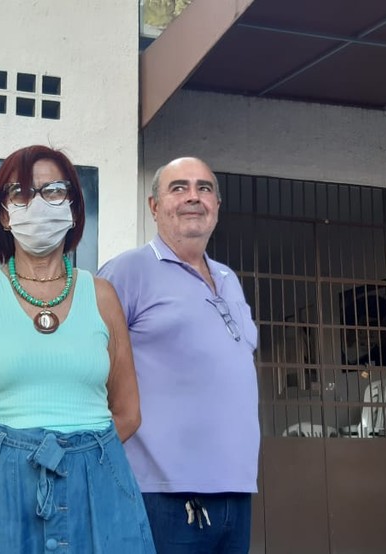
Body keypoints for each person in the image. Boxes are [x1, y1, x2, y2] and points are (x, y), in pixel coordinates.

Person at [0, 145, 155, 553]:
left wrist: (73, 455)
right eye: (21, 194)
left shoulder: (102, 297)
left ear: (72, 207)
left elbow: (128, 411)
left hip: (96, 484)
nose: (37, 204)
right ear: (4, 214)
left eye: (52, 191)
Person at [98, 157, 260, 553]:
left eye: (204, 188)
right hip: (161, 495)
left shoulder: (228, 278)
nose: (193, 197)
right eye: (179, 188)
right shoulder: (127, 271)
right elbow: (90, 368)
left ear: (217, 206)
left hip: (236, 492)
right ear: (154, 206)